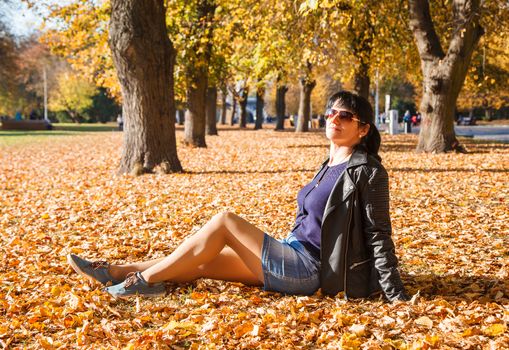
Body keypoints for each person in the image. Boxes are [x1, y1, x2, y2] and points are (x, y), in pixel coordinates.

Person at [68, 91, 409, 302]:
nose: (335, 118)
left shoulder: (368, 171)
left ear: (363, 128)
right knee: (200, 261)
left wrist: (394, 293)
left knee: (224, 222)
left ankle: (142, 282)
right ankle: (114, 271)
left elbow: (378, 233)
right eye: (331, 113)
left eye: (345, 115)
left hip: (311, 271)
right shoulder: (330, 162)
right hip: (292, 251)